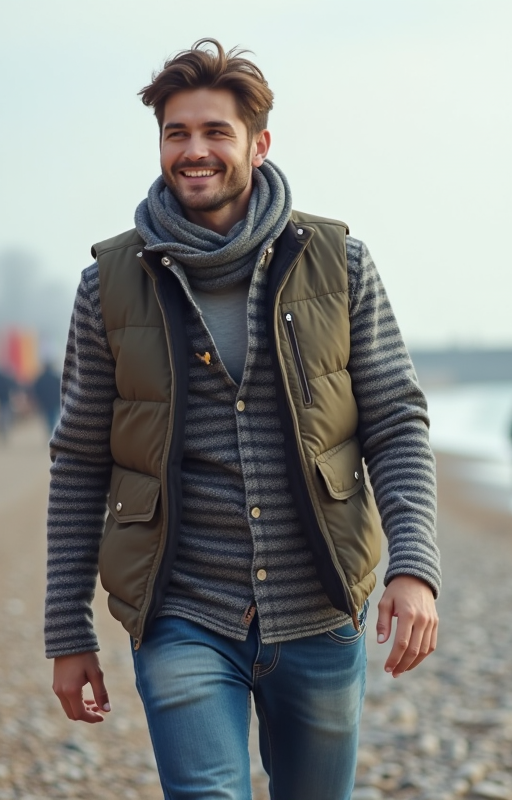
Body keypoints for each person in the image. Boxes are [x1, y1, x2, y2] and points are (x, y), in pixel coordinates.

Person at [44, 39, 441, 799]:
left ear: (258, 144)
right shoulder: (108, 287)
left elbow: (395, 421)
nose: (194, 152)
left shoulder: (341, 264)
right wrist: (68, 630)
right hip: (182, 613)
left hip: (321, 611)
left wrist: (414, 568)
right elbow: (80, 461)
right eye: (177, 134)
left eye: (215, 133)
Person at [31, 360, 61, 435]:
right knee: (54, 415)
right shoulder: (55, 377)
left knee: (48, 416)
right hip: (55, 401)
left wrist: (38, 399)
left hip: (45, 402)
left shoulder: (40, 379)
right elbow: (60, 389)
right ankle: (53, 430)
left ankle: (51, 430)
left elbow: (36, 390)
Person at [0, 366, 17, 443]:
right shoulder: (5, 379)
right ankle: (4, 434)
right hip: (5, 401)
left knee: (0, 419)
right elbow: (12, 386)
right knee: (5, 418)